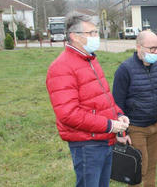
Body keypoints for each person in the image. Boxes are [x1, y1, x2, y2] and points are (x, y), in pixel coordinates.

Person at [46, 12, 130, 187]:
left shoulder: (90, 60)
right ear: (74, 37)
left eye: (96, 32)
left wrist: (118, 116)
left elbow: (103, 97)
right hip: (87, 145)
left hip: (104, 139)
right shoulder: (62, 67)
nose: (95, 37)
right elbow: (68, 114)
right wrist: (109, 125)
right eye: (91, 33)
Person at [113, 30, 157, 187]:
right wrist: (121, 131)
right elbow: (117, 103)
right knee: (138, 170)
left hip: (156, 125)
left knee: (152, 166)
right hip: (135, 128)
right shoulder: (125, 70)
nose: (155, 52)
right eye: (152, 49)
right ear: (139, 47)